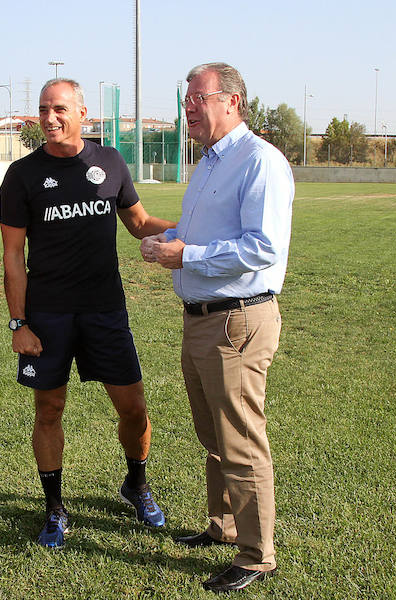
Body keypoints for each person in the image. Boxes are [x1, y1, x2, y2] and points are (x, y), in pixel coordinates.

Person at [0, 78, 177, 548]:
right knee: (49, 408)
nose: (49, 118)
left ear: (83, 114)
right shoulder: (21, 175)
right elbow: (13, 255)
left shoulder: (110, 162)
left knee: (134, 408)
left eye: (59, 108)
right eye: (42, 109)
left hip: (105, 311)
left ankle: (136, 484)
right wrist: (19, 323)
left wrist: (192, 227)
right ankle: (54, 508)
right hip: (48, 315)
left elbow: (138, 224)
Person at [140, 62, 293, 593]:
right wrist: (170, 242)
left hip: (237, 320)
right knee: (214, 435)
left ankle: (256, 555)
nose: (188, 109)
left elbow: (262, 247)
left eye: (197, 99)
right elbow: (203, 231)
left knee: (241, 438)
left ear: (231, 101)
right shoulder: (208, 163)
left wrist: (189, 253)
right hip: (202, 319)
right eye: (186, 100)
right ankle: (224, 528)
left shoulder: (260, 162)